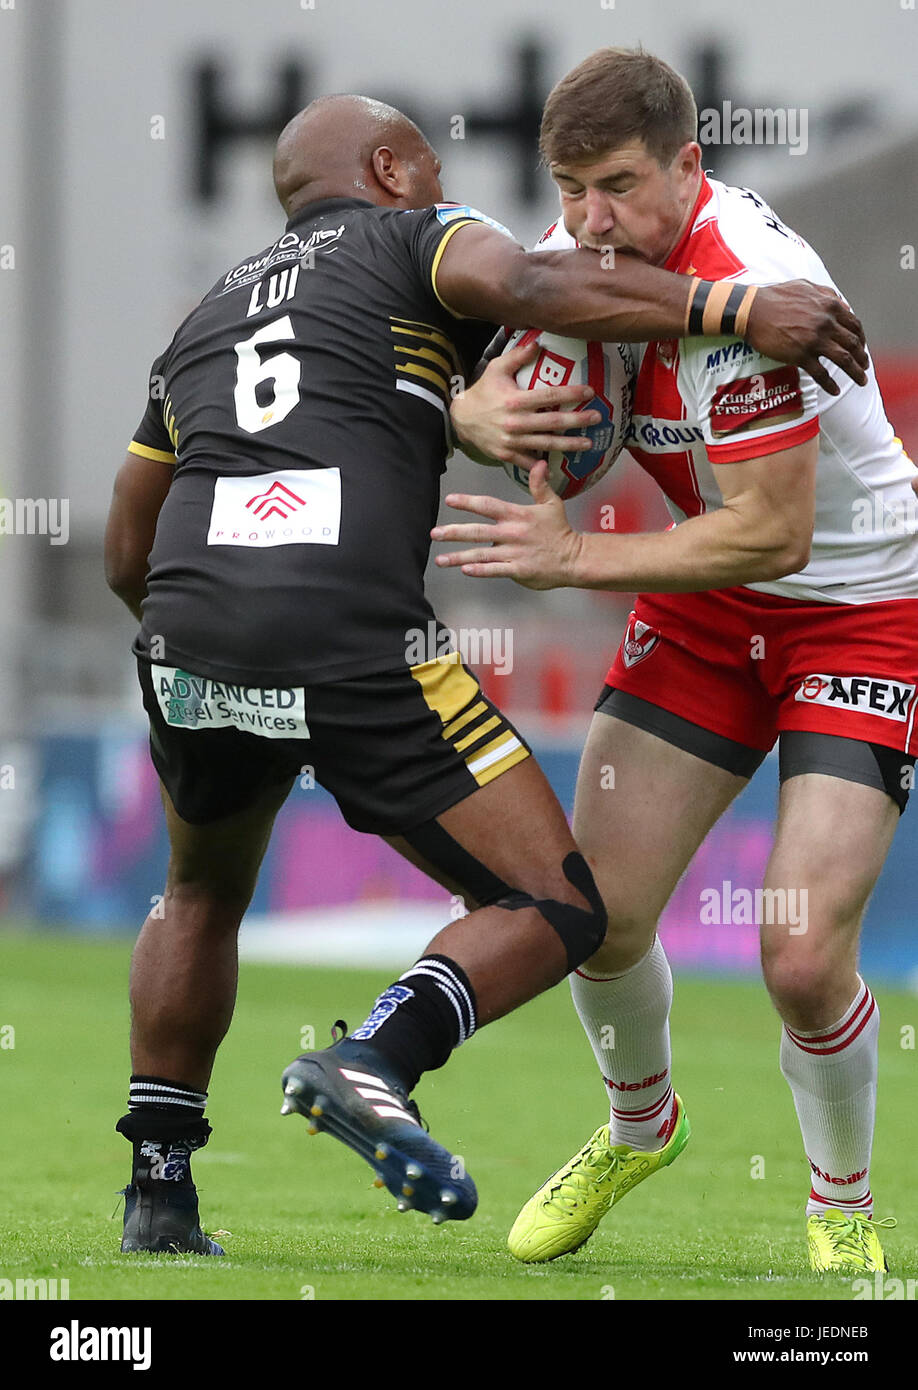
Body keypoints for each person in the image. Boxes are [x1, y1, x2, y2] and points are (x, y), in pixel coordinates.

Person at [104, 90, 869, 1255]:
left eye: (611, 187)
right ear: (390, 169)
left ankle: (158, 1195)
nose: (579, 219)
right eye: (430, 165)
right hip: (349, 634)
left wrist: (208, 637)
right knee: (558, 902)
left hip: (189, 635)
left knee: (197, 893)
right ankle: (376, 1061)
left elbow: (125, 545)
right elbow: (529, 291)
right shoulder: (422, 234)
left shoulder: (207, 314)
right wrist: (735, 308)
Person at [439, 47, 914, 1276]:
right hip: (709, 615)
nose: (590, 221)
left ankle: (844, 1202)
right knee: (595, 911)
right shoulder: (588, 248)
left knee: (802, 955)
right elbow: (522, 393)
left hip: (856, 611)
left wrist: (570, 557)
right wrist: (474, 414)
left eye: (618, 187)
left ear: (691, 169)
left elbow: (774, 532)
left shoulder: (756, 290)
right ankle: (640, 1126)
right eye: (569, 188)